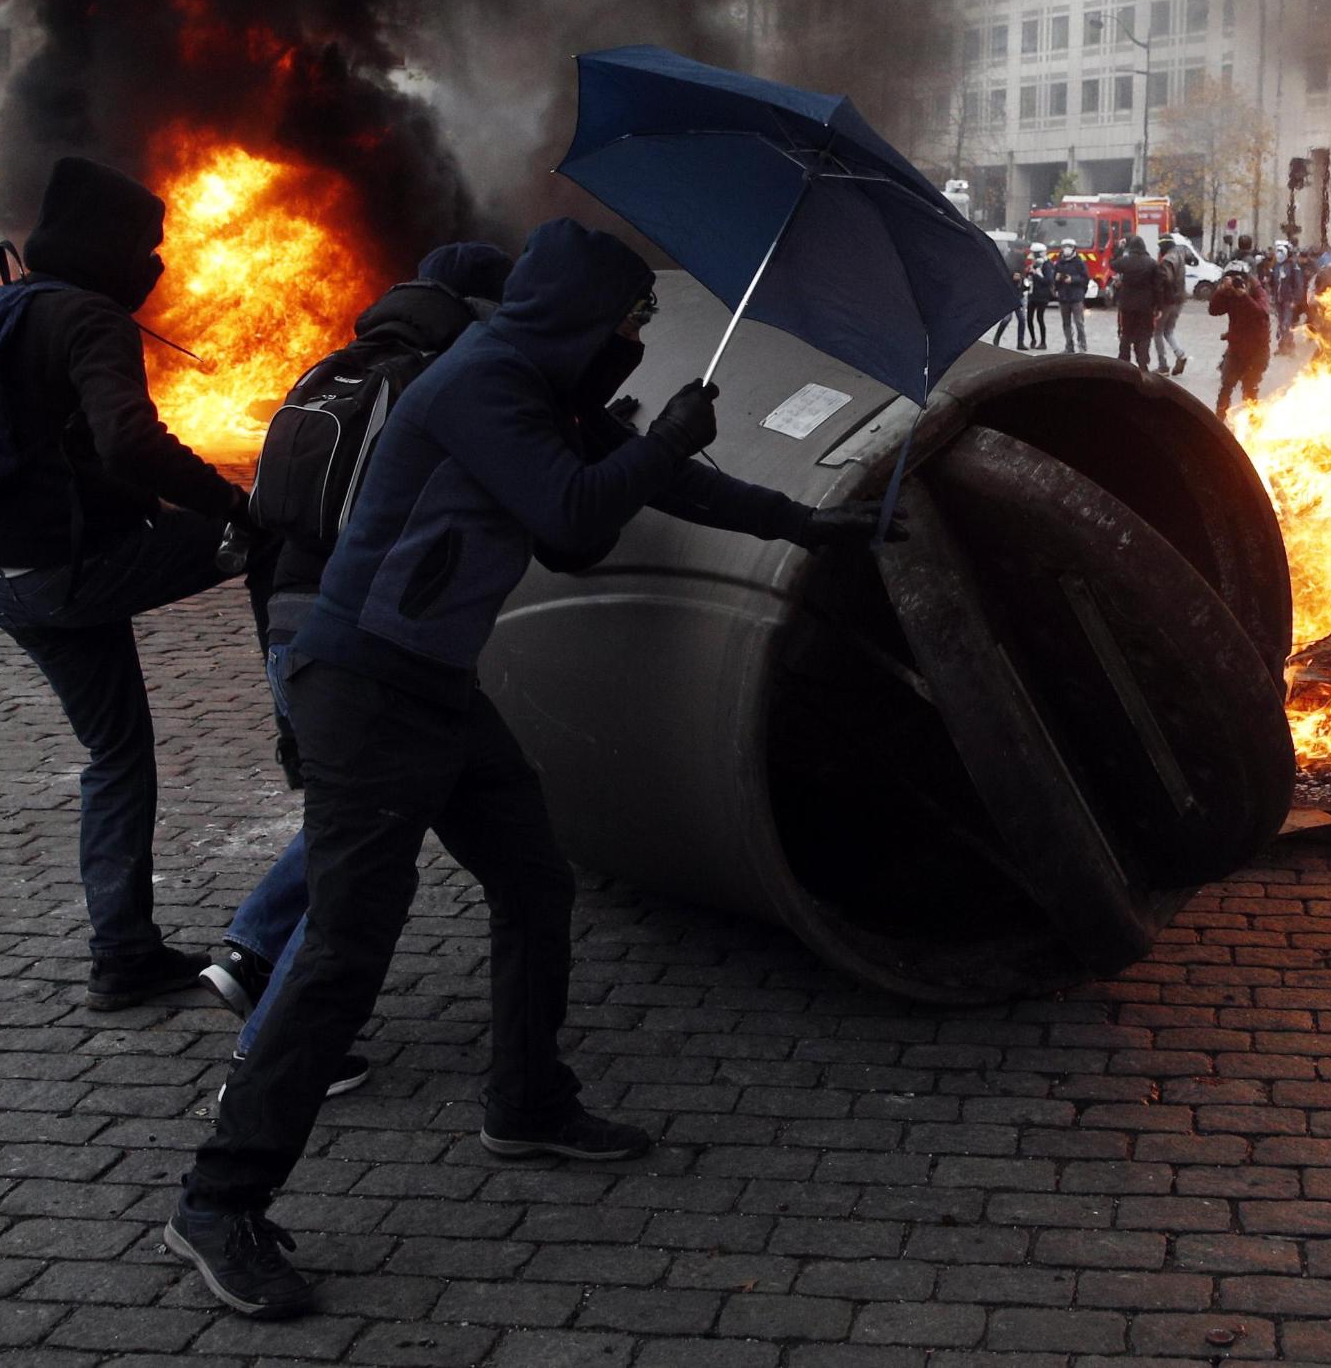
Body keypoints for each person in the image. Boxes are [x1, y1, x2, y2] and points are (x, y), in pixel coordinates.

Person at [170, 218, 884, 1321]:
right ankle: (220, 1202)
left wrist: (811, 523)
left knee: (532, 880)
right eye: (628, 320)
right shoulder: (482, 382)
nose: (636, 339)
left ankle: (527, 1100)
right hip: (364, 685)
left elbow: (654, 491)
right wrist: (667, 438)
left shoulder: (545, 391)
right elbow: (571, 512)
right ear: (576, 317)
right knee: (347, 952)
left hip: (436, 686)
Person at [200, 244, 515, 1094]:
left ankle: (252, 946)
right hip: (373, 644)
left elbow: (266, 528)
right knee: (371, 849)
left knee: (356, 816)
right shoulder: (445, 389)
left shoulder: (331, 371)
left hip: (291, 621)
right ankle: (272, 1054)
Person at [0, 157, 252, 1008]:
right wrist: (232, 504)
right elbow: (129, 441)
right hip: (70, 572)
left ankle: (123, 955)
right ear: (110, 248)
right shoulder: (90, 319)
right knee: (278, 536)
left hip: (1, 576)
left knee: (117, 754)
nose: (154, 268)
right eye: (146, 248)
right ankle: (307, 732)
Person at [1207, 262, 1271, 418]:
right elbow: (1214, 310)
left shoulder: (1256, 291)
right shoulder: (1229, 294)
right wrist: (1221, 291)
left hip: (1257, 350)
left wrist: (1244, 296)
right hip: (1236, 349)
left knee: (1250, 389)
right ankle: (1218, 421)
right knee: (1226, 386)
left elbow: (1261, 313)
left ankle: (1254, 425)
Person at [1109, 234, 1162, 371]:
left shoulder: (1126, 261)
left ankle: (1124, 362)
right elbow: (1158, 287)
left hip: (1127, 304)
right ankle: (1143, 363)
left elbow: (1113, 264)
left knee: (1126, 333)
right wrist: (1158, 306)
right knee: (1144, 335)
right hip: (1146, 305)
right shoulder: (1151, 263)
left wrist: (1119, 249)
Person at [1152, 241, 1191, 378]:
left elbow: (1165, 281)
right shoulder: (1180, 255)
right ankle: (1180, 354)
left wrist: (1159, 304)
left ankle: (1163, 365)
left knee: (1157, 332)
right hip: (1180, 299)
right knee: (1169, 331)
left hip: (1168, 301)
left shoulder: (1167, 261)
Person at [1050, 244, 1090, 353]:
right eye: (1064, 247)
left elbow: (1085, 278)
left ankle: (1082, 346)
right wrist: (1056, 279)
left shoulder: (1079, 262)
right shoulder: (1059, 262)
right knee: (1066, 323)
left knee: (1079, 323)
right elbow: (1054, 278)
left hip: (1076, 297)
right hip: (1063, 297)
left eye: (1069, 247)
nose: (1066, 249)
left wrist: (1073, 279)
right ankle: (1069, 346)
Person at [1014, 246, 1049, 351]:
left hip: (1042, 296)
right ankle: (1033, 339)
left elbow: (1048, 281)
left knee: (1040, 318)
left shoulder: (1047, 265)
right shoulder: (1033, 264)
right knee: (1029, 319)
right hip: (1032, 295)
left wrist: (1036, 274)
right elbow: (1029, 279)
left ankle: (1043, 341)